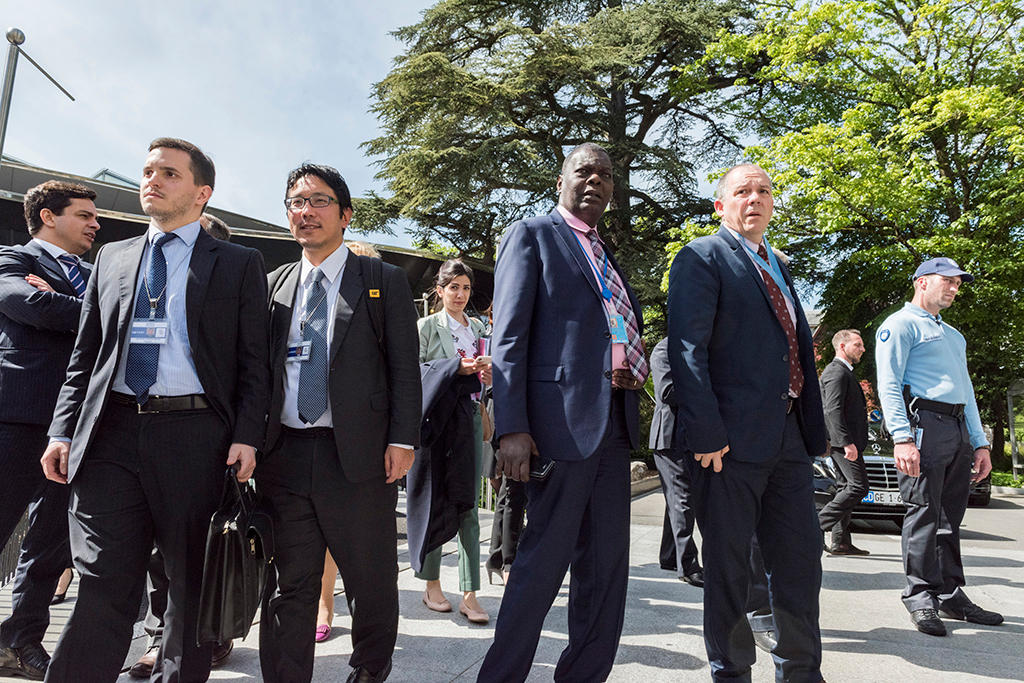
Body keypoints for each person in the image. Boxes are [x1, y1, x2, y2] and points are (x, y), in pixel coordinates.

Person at [40, 137, 271, 682]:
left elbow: (253, 362)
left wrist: (247, 435)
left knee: (188, 587)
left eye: (169, 173)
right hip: (111, 436)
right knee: (102, 582)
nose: (153, 180)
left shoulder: (238, 263)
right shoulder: (112, 257)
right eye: (148, 170)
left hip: (195, 437)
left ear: (201, 192)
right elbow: (85, 358)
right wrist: (61, 431)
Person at [478, 142, 648, 682]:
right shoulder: (532, 235)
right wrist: (512, 426)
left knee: (605, 574)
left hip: (613, 425)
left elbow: (605, 332)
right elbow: (508, 337)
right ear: (561, 180)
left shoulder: (607, 253)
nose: (595, 180)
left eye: (606, 175)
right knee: (540, 567)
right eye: (584, 171)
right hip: (557, 429)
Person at [258, 163, 420, 683]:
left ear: (346, 215)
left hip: (358, 455)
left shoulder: (381, 280)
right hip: (284, 454)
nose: (305, 212)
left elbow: (403, 367)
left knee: (369, 575)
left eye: (319, 201)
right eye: (295, 203)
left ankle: (371, 667)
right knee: (290, 581)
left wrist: (403, 439)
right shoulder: (273, 285)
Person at [667, 163, 827, 682]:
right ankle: (731, 674)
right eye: (742, 191)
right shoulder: (701, 256)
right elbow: (687, 350)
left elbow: (791, 347)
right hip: (729, 445)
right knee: (732, 574)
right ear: (721, 205)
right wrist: (707, 433)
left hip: (789, 439)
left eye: (763, 191)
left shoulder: (778, 264)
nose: (754, 199)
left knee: (801, 568)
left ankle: (801, 673)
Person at [127, 211, 236, 678]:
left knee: (199, 555)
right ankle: (159, 636)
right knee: (157, 556)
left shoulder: (235, 282)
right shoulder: (144, 275)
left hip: (205, 436)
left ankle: (208, 636)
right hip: (139, 427)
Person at [0, 181, 99, 680]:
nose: (95, 224)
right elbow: (29, 307)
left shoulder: (97, 273)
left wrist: (64, 302)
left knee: (49, 544)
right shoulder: (9, 260)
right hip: (17, 418)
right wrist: (95, 313)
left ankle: (21, 641)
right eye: (83, 215)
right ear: (46, 216)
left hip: (77, 427)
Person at [875, 257, 1001, 637]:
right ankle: (920, 596)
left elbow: (968, 393)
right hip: (924, 425)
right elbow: (889, 384)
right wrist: (902, 437)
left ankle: (949, 592)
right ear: (922, 282)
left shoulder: (954, 336)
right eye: (947, 281)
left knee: (950, 517)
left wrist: (980, 443)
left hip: (957, 427)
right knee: (923, 513)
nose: (954, 288)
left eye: (958, 283)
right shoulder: (899, 325)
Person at [411, 259, 491, 624]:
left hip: (470, 417)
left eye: (466, 288)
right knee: (434, 498)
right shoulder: (425, 327)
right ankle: (431, 584)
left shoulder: (477, 328)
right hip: (436, 423)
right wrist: (453, 368)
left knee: (468, 503)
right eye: (453, 287)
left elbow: (486, 380)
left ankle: (471, 591)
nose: (460, 294)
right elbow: (413, 374)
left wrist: (487, 375)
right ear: (439, 291)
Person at [315, 238, 382, 644]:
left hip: (366, 445)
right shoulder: (315, 305)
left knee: (363, 542)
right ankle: (324, 604)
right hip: (317, 436)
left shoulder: (382, 309)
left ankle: (369, 617)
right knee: (321, 538)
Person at [648, 337, 703, 587]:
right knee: (682, 499)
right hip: (669, 438)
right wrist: (704, 385)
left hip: (690, 437)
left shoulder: (697, 348)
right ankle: (688, 565)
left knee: (678, 499)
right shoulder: (663, 349)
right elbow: (667, 391)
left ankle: (670, 556)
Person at [817, 329, 871, 555]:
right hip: (844, 444)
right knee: (858, 487)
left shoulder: (843, 372)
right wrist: (845, 442)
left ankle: (840, 542)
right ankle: (813, 527)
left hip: (845, 442)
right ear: (842, 346)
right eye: (857, 345)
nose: (863, 349)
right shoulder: (837, 373)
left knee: (845, 487)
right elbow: (832, 409)